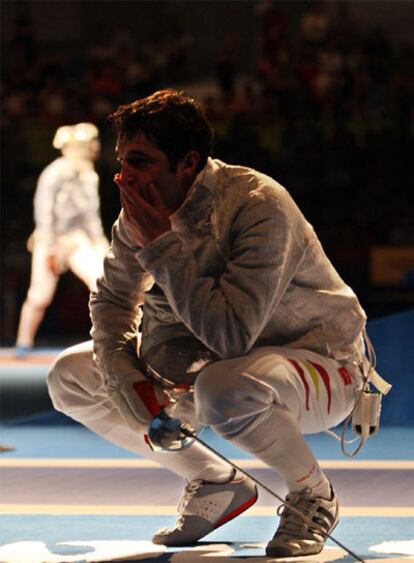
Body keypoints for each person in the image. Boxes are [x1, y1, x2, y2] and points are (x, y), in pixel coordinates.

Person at [47, 90, 369, 557]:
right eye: (121, 160)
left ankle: (313, 494)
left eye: (139, 161)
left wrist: (160, 244)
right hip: (211, 368)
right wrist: (126, 378)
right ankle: (214, 480)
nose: (123, 176)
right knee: (70, 377)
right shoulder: (139, 213)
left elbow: (231, 334)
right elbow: (114, 300)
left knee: (225, 387)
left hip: (321, 366)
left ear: (188, 162)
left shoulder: (258, 205)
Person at [15, 123, 109, 357]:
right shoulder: (55, 172)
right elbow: (44, 210)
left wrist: (101, 244)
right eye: (90, 143)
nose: (95, 147)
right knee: (40, 295)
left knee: (103, 284)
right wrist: (49, 246)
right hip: (53, 239)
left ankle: (107, 339)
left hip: (77, 239)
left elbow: (90, 215)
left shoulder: (89, 174)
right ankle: (23, 343)